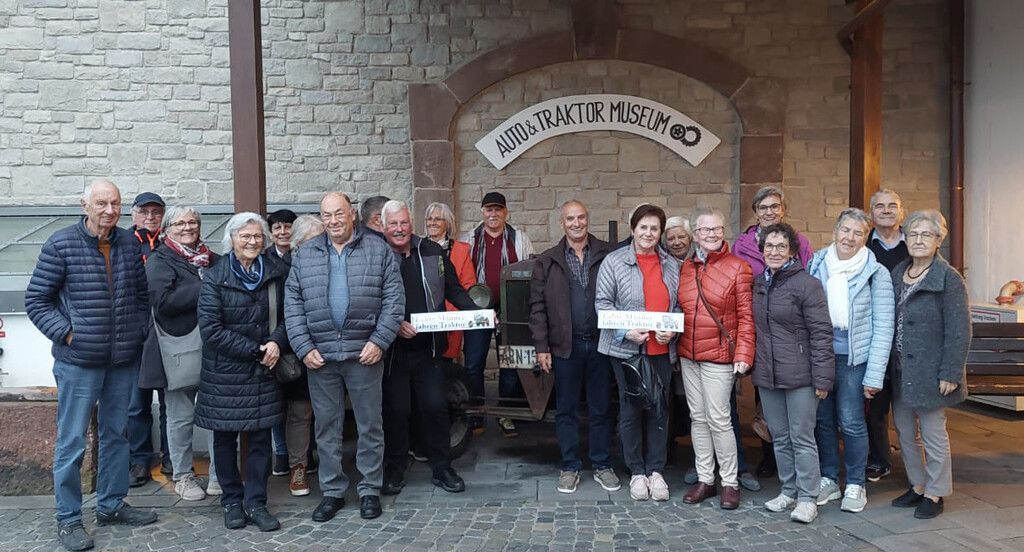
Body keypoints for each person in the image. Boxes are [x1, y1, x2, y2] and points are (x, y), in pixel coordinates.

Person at [25, 180, 158, 552]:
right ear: (84, 204)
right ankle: (68, 519)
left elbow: (141, 296)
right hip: (79, 362)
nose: (109, 210)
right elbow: (37, 300)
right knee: (71, 443)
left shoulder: (129, 243)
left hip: (121, 361)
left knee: (118, 435)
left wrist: (138, 333)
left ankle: (112, 505)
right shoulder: (60, 243)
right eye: (101, 203)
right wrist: (67, 334)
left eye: (115, 203)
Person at [285, 192, 404, 522]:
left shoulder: (378, 249)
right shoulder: (306, 254)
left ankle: (369, 490)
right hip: (320, 357)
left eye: (339, 214)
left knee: (370, 426)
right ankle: (333, 491)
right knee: (327, 428)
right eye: (327, 215)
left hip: (364, 353)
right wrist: (304, 346)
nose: (333, 220)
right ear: (321, 218)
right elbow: (292, 305)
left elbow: (394, 302)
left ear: (352, 214)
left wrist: (380, 341)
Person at [194, 213, 288, 532]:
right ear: (231, 239)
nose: (252, 242)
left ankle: (256, 502)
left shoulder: (277, 273)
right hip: (225, 373)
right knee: (225, 440)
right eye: (245, 236)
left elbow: (290, 316)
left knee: (261, 439)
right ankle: (232, 501)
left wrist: (276, 342)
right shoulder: (214, 275)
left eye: (257, 236)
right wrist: (255, 350)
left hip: (265, 371)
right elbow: (211, 330)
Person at [380, 200, 479, 495]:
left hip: (430, 349)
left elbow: (454, 290)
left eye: (404, 223)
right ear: (384, 227)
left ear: (412, 224)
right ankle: (395, 468)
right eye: (393, 224)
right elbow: (368, 300)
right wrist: (394, 324)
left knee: (435, 408)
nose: (399, 229)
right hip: (393, 350)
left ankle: (442, 468)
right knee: (396, 411)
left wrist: (479, 312)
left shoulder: (432, 251)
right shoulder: (377, 255)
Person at [807, 208, 894, 513]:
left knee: (852, 421)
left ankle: (856, 482)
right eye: (846, 230)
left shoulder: (876, 273)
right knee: (822, 420)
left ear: (866, 237)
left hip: (854, 361)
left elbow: (884, 326)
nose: (850, 237)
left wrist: (874, 375)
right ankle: (829, 478)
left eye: (858, 233)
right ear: (835, 231)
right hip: (820, 356)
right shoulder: (816, 264)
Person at [529, 200, 618, 494]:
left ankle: (602, 464)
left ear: (588, 219)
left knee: (601, 408)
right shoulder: (548, 260)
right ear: (562, 223)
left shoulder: (608, 254)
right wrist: (542, 346)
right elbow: (537, 307)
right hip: (565, 347)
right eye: (570, 219)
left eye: (581, 217)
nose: (576, 223)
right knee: (565, 409)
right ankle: (570, 466)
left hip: (602, 344)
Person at [888, 210, 970, 520]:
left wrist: (950, 371)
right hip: (900, 370)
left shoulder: (948, 278)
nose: (918, 240)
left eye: (926, 235)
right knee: (906, 432)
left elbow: (960, 329)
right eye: (913, 234)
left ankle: (936, 493)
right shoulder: (899, 272)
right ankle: (918, 485)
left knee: (934, 434)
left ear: (938, 240)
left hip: (931, 372)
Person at [751, 223, 835, 524]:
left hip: (801, 375)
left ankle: (808, 496)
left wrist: (823, 378)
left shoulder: (806, 284)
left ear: (792, 251)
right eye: (769, 246)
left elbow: (821, 333)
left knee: (802, 437)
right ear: (762, 250)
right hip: (769, 374)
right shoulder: (759, 283)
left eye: (780, 246)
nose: (774, 251)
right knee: (780, 437)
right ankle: (788, 490)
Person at [595, 203, 679, 502]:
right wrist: (625, 331)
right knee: (631, 409)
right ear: (633, 229)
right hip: (626, 349)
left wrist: (672, 329)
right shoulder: (614, 262)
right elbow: (603, 305)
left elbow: (677, 305)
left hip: (660, 348)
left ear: (660, 233)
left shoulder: (671, 265)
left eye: (654, 228)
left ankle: (656, 470)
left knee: (659, 407)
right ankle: (636, 472)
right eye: (643, 227)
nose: (648, 233)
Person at [731, 186, 814, 485]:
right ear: (755, 211)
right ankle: (770, 456)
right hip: (758, 326)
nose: (769, 211)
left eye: (774, 206)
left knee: (795, 406)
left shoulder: (798, 241)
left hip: (789, 328)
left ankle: (800, 475)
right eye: (763, 207)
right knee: (764, 396)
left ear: (783, 209)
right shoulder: (741, 244)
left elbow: (808, 276)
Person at [677, 206, 755, 511]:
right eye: (706, 230)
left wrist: (744, 353)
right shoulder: (687, 268)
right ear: (695, 234)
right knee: (698, 418)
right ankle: (706, 478)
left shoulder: (738, 267)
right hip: (688, 354)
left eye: (717, 229)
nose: (712, 235)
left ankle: (730, 482)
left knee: (719, 419)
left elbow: (746, 316)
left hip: (720, 356)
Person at [146, 206, 220, 502]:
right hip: (178, 347)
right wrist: (206, 287)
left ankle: (218, 473)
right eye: (180, 223)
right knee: (180, 416)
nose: (188, 227)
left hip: (215, 346)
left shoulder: (213, 259)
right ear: (166, 229)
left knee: (218, 415)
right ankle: (183, 475)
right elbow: (163, 301)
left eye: (193, 222)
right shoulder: (159, 260)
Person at [462, 191, 535, 437]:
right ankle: (476, 413)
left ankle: (507, 413)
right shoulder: (469, 239)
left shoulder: (520, 239)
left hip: (511, 309)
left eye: (498, 210)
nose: (493, 214)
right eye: (489, 209)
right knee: (473, 362)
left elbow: (531, 273)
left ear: (505, 212)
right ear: (482, 212)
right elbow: (462, 276)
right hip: (477, 310)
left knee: (510, 362)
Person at [865, 189, 909, 483]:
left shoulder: (915, 244)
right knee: (874, 406)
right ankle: (879, 459)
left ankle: (915, 465)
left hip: (908, 337)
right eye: (879, 206)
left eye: (892, 205)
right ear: (871, 213)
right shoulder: (863, 246)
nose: (886, 210)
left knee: (909, 409)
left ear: (901, 212)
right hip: (875, 335)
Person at [127, 191, 171, 486]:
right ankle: (139, 460)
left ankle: (172, 457)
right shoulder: (122, 242)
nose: (151, 217)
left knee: (172, 400)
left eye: (156, 212)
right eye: (145, 212)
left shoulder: (173, 244)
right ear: (133, 214)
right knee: (136, 402)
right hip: (134, 333)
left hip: (168, 333)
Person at [281, 214, 326, 497]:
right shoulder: (284, 269)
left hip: (329, 350)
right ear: (298, 244)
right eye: (313, 241)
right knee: (300, 412)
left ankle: (327, 464)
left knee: (328, 412)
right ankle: (298, 466)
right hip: (298, 350)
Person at [265, 208, 298, 478]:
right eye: (278, 227)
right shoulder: (265, 259)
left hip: (298, 335)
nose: (283, 232)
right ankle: (282, 453)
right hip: (273, 336)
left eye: (288, 227)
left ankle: (302, 454)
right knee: (276, 401)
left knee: (300, 402)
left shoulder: (303, 255)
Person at [424, 202, 476, 361]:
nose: (432, 222)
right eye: (429, 219)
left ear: (447, 223)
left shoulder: (461, 250)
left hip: (452, 316)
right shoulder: (418, 247)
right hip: (424, 318)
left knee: (446, 365)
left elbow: (468, 285)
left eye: (438, 219)